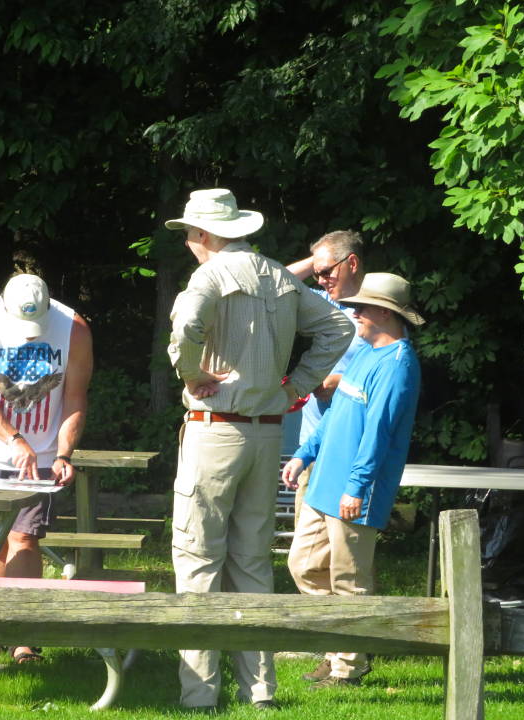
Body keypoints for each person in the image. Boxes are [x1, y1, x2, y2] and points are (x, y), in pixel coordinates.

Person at [165, 188, 354, 711]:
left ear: (204, 234)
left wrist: (193, 372)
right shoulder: (278, 275)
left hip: (214, 428)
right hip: (266, 430)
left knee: (198, 557)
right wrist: (296, 386)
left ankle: (199, 694)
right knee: (251, 561)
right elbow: (338, 325)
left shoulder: (209, 276)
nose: (186, 242)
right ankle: (260, 691)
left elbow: (184, 330)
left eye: (188, 232)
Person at [281, 272, 424, 690]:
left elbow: (378, 432)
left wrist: (356, 487)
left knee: (349, 580)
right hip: (323, 480)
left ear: (384, 312)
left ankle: (349, 666)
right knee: (303, 566)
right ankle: (338, 646)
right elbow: (338, 415)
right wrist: (304, 454)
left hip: (355, 491)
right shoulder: (363, 353)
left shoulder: (399, 365)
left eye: (361, 307)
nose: (353, 312)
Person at [0, 273, 93, 664]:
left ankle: (25, 635)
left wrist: (64, 453)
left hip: (45, 455)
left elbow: (74, 397)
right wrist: (13, 438)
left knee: (24, 539)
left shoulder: (74, 329)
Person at [285, 231, 368, 524]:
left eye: (325, 272)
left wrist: (340, 382)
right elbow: (276, 284)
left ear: (352, 263)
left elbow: (390, 377)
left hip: (353, 451)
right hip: (311, 448)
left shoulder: (380, 312)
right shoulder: (322, 303)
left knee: (344, 553)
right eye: (316, 273)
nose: (319, 280)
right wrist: (320, 259)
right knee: (305, 558)